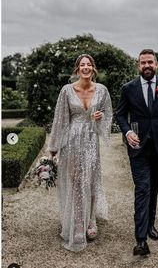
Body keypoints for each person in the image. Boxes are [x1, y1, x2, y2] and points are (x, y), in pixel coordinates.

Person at [116, 49, 158, 256]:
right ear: (138, 66)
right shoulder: (128, 88)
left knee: (153, 188)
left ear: (156, 65)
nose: (146, 65)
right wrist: (127, 133)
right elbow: (120, 115)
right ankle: (141, 240)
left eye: (150, 62)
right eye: (142, 62)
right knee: (142, 188)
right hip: (138, 148)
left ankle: (150, 225)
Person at [48, 54, 113, 252]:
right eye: (82, 65)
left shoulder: (102, 90)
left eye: (89, 65)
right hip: (72, 142)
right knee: (76, 181)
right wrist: (53, 148)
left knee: (92, 181)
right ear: (77, 69)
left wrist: (100, 117)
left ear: (93, 69)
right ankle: (77, 223)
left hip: (91, 141)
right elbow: (60, 120)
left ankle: (91, 220)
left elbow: (108, 115)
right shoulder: (67, 91)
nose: (86, 67)